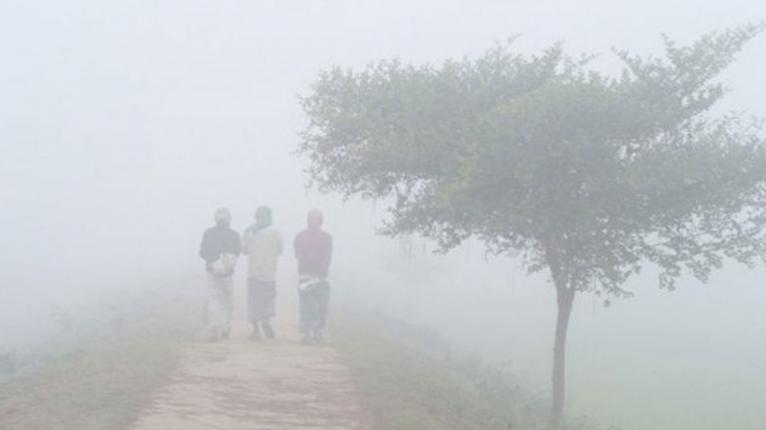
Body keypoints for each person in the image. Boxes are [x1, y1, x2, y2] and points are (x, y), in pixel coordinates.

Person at [241, 206, 283, 340]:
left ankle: (256, 330)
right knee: (268, 300)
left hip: (253, 272)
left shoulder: (249, 232)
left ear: (256, 217)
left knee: (254, 301)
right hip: (270, 273)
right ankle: (266, 320)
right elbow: (280, 250)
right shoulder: (276, 232)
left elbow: (244, 250)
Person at [199, 208, 240, 342]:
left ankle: (214, 327)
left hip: (212, 272)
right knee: (227, 301)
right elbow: (237, 252)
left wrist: (212, 261)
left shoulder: (208, 233)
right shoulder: (234, 235)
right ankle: (225, 327)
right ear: (229, 220)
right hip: (227, 274)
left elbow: (202, 252)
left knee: (214, 300)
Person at [294, 209, 333, 344]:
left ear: (320, 221)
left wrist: (322, 269)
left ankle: (318, 331)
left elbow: (327, 256)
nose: (313, 222)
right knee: (306, 305)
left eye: (316, 220)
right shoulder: (300, 237)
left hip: (321, 276)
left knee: (321, 306)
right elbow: (299, 255)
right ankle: (306, 332)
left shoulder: (327, 238)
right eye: (311, 219)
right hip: (305, 275)